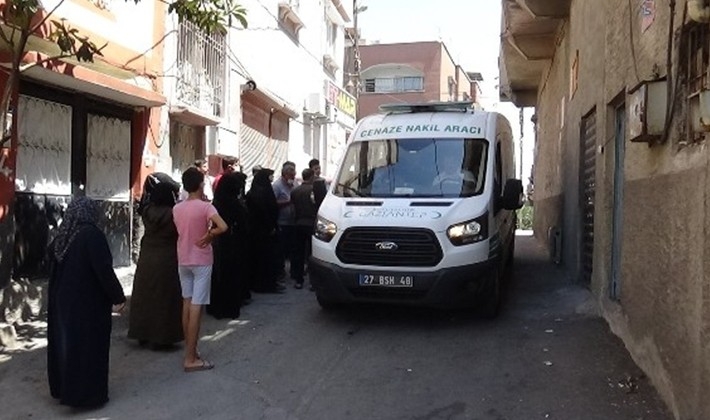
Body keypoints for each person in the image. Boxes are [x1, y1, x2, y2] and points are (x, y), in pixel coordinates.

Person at [47, 196, 126, 408]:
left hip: (62, 301)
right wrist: (118, 297)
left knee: (67, 347)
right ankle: (85, 397)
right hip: (87, 304)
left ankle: (64, 390)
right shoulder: (92, 235)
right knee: (87, 350)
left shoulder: (63, 236)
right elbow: (104, 271)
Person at [173, 167, 228, 372]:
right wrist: (210, 235)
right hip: (202, 259)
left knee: (187, 302)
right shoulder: (206, 207)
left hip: (183, 258)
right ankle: (190, 356)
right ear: (200, 184)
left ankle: (190, 351)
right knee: (197, 305)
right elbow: (223, 226)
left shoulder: (177, 208)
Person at [128, 173, 183, 349]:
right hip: (167, 257)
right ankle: (162, 337)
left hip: (147, 256)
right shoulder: (174, 214)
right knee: (165, 298)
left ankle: (141, 332)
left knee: (145, 296)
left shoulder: (146, 211)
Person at [207, 171, 250, 319]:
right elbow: (243, 222)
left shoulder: (216, 203)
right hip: (233, 242)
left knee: (219, 274)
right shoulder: (235, 204)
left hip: (218, 242)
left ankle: (216, 307)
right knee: (231, 275)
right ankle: (230, 307)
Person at [246, 167, 282, 293]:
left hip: (256, 232)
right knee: (267, 259)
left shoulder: (252, 193)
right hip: (266, 232)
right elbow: (267, 211)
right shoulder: (264, 193)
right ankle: (267, 284)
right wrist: (271, 226)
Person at [290, 168, 318, 289]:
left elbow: (292, 209)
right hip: (311, 224)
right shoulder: (313, 191)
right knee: (312, 254)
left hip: (298, 224)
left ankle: (299, 280)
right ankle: (312, 281)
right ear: (311, 177)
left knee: (299, 253)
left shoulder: (295, 191)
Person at [272, 162, 298, 281]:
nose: (293, 178)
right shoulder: (277, 186)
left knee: (293, 248)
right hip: (282, 221)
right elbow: (273, 203)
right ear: (285, 175)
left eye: (294, 175)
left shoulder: (294, 185)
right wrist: (288, 202)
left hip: (293, 221)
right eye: (291, 176)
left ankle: (294, 271)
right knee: (281, 248)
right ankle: (280, 272)